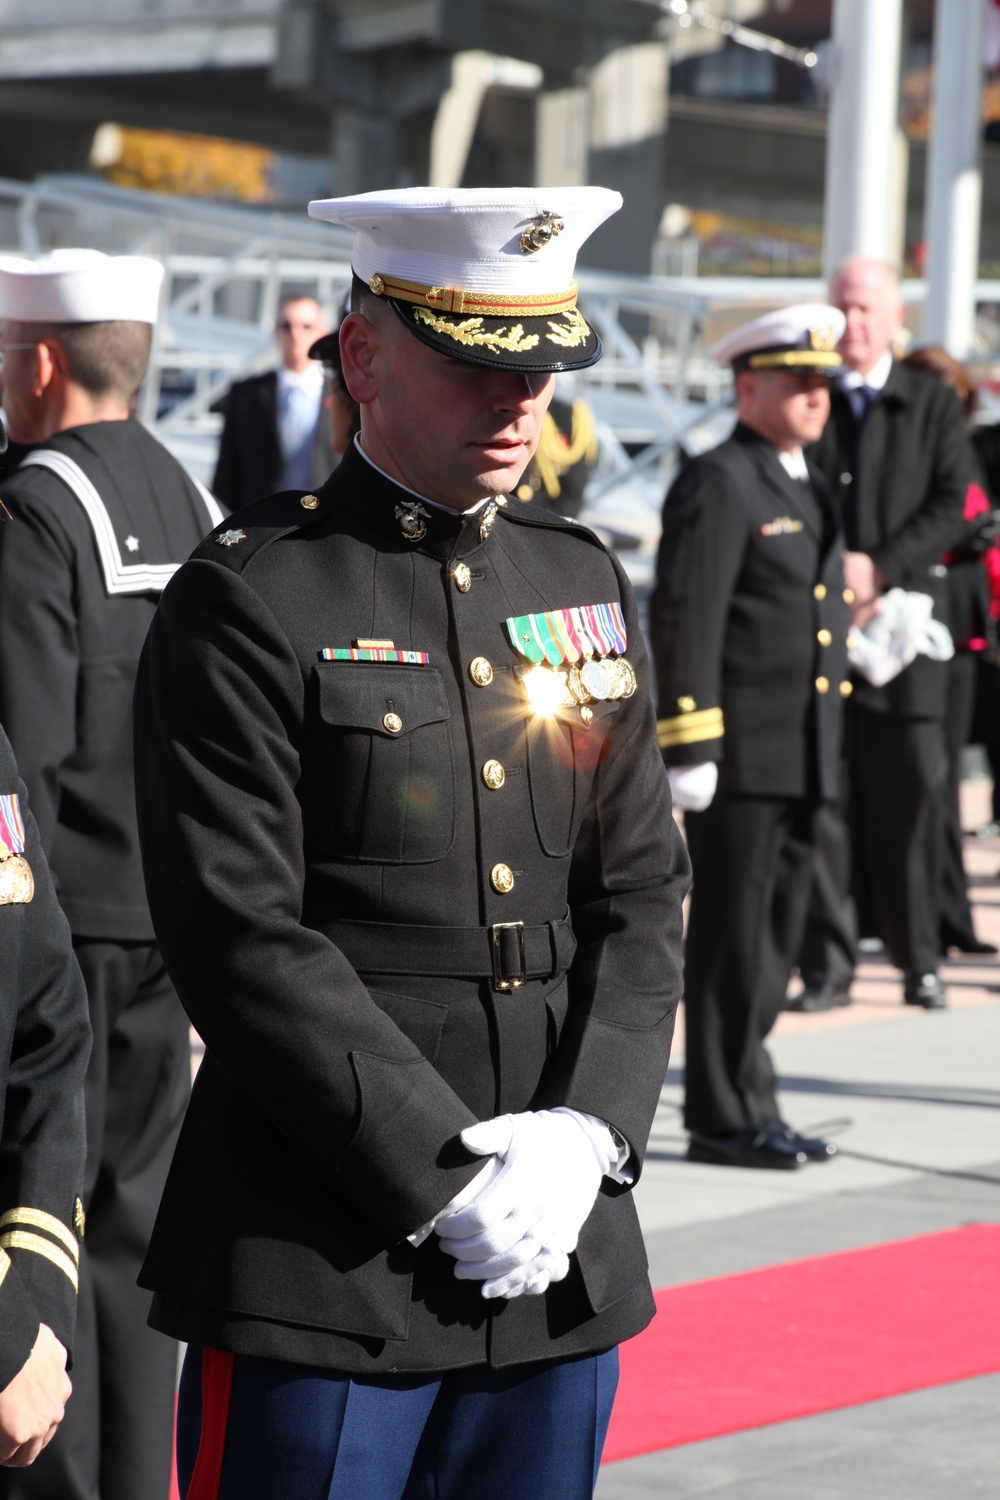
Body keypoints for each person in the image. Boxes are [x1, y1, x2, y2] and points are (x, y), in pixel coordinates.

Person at [132, 185, 688, 1499]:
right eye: (476, 364)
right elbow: (240, 935)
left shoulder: (576, 577)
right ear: (367, 356)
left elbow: (644, 890)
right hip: (325, 1256)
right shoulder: (255, 595)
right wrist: (444, 1173)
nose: (518, 403)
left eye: (543, 368)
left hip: (554, 1259)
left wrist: (589, 1135)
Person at [0, 249, 224, 1500]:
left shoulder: (33, 508)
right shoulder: (182, 493)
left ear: (38, 363)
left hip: (65, 933)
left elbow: (12, 755)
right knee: (139, 1235)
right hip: (164, 919)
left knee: (47, 1230)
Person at [650, 305, 849, 1170]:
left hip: (802, 749)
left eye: (823, 382)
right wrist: (689, 746)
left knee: (773, 940)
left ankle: (753, 1097)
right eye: (797, 380)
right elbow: (689, 615)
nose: (816, 394)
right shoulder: (721, 479)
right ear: (747, 386)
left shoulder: (799, 478)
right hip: (741, 757)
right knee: (734, 939)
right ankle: (723, 1116)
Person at [808, 259, 970, 1009]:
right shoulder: (808, 398)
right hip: (823, 632)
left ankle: (919, 961)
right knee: (827, 801)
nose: (854, 322)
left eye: (867, 308)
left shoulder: (932, 402)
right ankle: (830, 968)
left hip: (907, 633)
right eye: (842, 307)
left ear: (894, 318)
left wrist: (880, 571)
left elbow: (951, 503)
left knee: (911, 803)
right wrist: (836, 576)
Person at [901, 346, 997, 956]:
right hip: (910, 631)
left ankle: (949, 915)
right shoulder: (904, 451)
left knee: (939, 788)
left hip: (963, 635)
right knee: (921, 785)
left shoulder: (967, 449)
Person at [212, 292, 335, 509]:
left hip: (326, 523)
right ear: (275, 332)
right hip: (262, 524)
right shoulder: (247, 395)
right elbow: (227, 474)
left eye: (306, 326)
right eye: (286, 326)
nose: (295, 335)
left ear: (322, 332)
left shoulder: (341, 394)